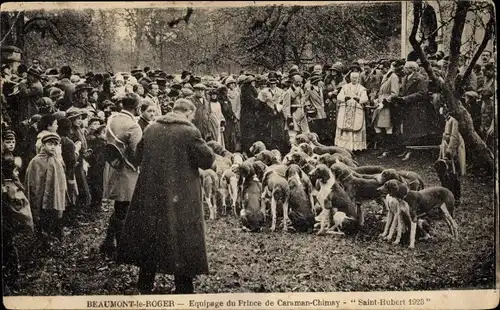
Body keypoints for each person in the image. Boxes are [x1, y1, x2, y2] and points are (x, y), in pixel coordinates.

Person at [117, 98, 215, 294]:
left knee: (151, 234)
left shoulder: (151, 129)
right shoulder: (189, 132)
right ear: (188, 113)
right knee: (182, 236)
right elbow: (207, 160)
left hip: (151, 193)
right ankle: (183, 287)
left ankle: (145, 283)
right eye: (193, 116)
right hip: (182, 195)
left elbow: (137, 156)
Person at [101, 93, 143, 257]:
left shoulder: (113, 119)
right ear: (136, 107)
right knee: (124, 208)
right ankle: (121, 248)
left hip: (114, 166)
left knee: (119, 207)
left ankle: (109, 243)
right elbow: (137, 153)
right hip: (128, 171)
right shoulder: (133, 126)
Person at [25, 133, 67, 247]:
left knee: (52, 218)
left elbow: (61, 183)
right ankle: (41, 240)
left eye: (55, 144)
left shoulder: (56, 161)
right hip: (40, 197)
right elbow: (33, 183)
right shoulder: (36, 162)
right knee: (40, 219)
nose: (52, 147)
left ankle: (51, 238)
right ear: (43, 145)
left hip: (52, 198)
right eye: (49, 144)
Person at [436, 104, 465, 206]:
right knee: (446, 172)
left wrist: (449, 151)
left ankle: (456, 198)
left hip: (453, 151)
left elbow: (454, 137)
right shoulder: (447, 120)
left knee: (453, 174)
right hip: (445, 147)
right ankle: (448, 195)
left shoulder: (453, 120)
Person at [375, 60, 405, 158]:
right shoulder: (386, 76)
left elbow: (394, 93)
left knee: (387, 127)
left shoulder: (393, 77)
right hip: (381, 104)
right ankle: (382, 149)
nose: (380, 70)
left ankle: (387, 151)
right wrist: (377, 99)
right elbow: (381, 91)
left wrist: (384, 102)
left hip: (388, 105)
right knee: (378, 126)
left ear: (387, 67)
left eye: (382, 68)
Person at [335, 71, 369, 152]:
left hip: (357, 110)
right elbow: (339, 96)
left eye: (356, 78)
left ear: (358, 79)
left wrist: (359, 99)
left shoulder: (361, 88)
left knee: (356, 127)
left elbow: (365, 98)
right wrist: (344, 97)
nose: (354, 79)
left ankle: (355, 148)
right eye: (353, 78)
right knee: (344, 129)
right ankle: (343, 146)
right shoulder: (345, 87)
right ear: (350, 78)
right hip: (345, 109)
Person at [282, 74, 309, 141]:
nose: (299, 83)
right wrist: (288, 118)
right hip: (293, 114)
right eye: (297, 81)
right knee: (292, 134)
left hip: (302, 114)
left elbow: (303, 102)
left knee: (305, 133)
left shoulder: (301, 90)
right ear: (293, 81)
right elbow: (285, 107)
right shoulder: (288, 92)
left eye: (300, 81)